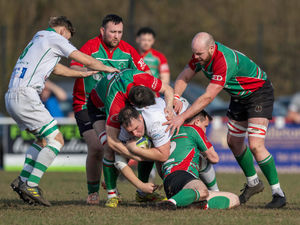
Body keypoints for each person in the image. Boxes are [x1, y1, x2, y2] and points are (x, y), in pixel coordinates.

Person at [6, 16, 119, 207]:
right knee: (56, 140)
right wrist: (108, 68)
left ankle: (23, 180)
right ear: (63, 31)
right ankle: (31, 184)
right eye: (67, 38)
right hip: (26, 95)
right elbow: (82, 58)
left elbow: (56, 68)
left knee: (42, 140)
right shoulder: (56, 38)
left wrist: (82, 74)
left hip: (12, 96)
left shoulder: (39, 37)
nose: (67, 42)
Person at [164, 32, 286, 208]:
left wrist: (182, 116)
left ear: (211, 48)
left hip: (259, 93)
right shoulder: (201, 56)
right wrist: (175, 97)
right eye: (194, 53)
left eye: (199, 54)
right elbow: (184, 76)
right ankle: (253, 183)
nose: (196, 57)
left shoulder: (223, 61)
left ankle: (278, 194)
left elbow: (208, 96)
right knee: (234, 142)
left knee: (255, 145)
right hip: (239, 97)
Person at [70, 14, 151, 205]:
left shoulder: (128, 50)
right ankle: (92, 192)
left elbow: (145, 73)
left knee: (126, 145)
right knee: (98, 147)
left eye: (119, 32)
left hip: (115, 106)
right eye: (112, 31)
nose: (116, 35)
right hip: (87, 104)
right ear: (102, 31)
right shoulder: (90, 47)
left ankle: (113, 177)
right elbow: (74, 66)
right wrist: (94, 69)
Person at [87, 69, 174, 207]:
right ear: (133, 105)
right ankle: (112, 194)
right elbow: (112, 142)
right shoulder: (117, 104)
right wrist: (136, 155)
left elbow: (168, 89)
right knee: (109, 148)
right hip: (98, 108)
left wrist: (169, 108)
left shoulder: (143, 78)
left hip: (123, 99)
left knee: (146, 144)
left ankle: (143, 194)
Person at [159, 110, 239, 210]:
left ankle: (193, 205)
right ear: (197, 122)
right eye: (205, 126)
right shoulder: (193, 129)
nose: (205, 130)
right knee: (202, 190)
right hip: (182, 175)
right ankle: (170, 203)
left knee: (234, 199)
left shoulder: (168, 132)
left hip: (170, 181)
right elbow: (214, 158)